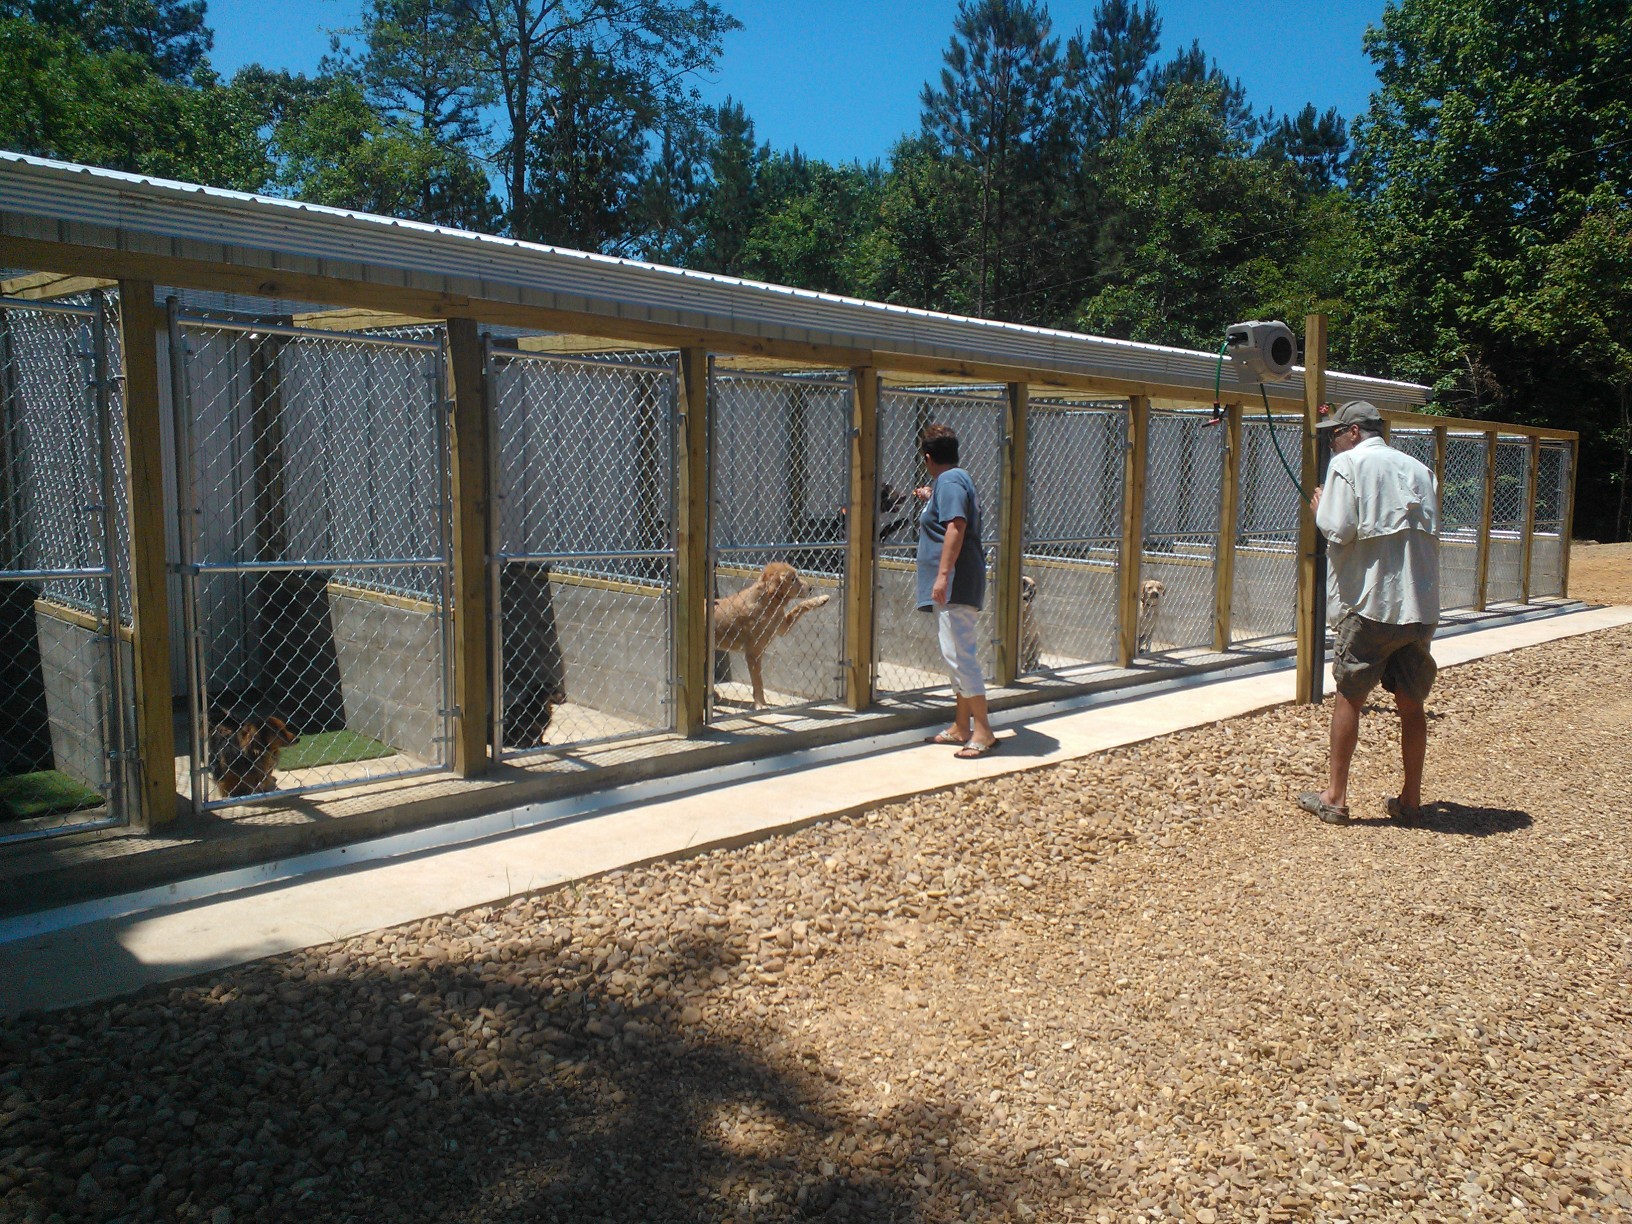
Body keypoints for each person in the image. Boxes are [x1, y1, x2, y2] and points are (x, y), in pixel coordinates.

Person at [1299, 400, 1440, 825]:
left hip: (1372, 605)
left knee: (1349, 696)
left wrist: (1318, 509)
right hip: (1420, 605)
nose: (1331, 443)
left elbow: (1338, 528)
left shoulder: (1348, 465)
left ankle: (1335, 798)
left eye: (1334, 434)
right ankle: (1411, 799)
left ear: (1354, 431)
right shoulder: (1420, 470)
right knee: (1411, 701)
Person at [914, 423, 998, 758]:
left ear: (928, 458)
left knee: (960, 655)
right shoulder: (954, 480)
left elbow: (956, 525)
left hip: (956, 584)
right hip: (959, 582)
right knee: (957, 654)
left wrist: (942, 575)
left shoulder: (948, 481)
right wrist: (931, 495)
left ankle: (983, 730)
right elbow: (952, 510)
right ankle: (961, 725)